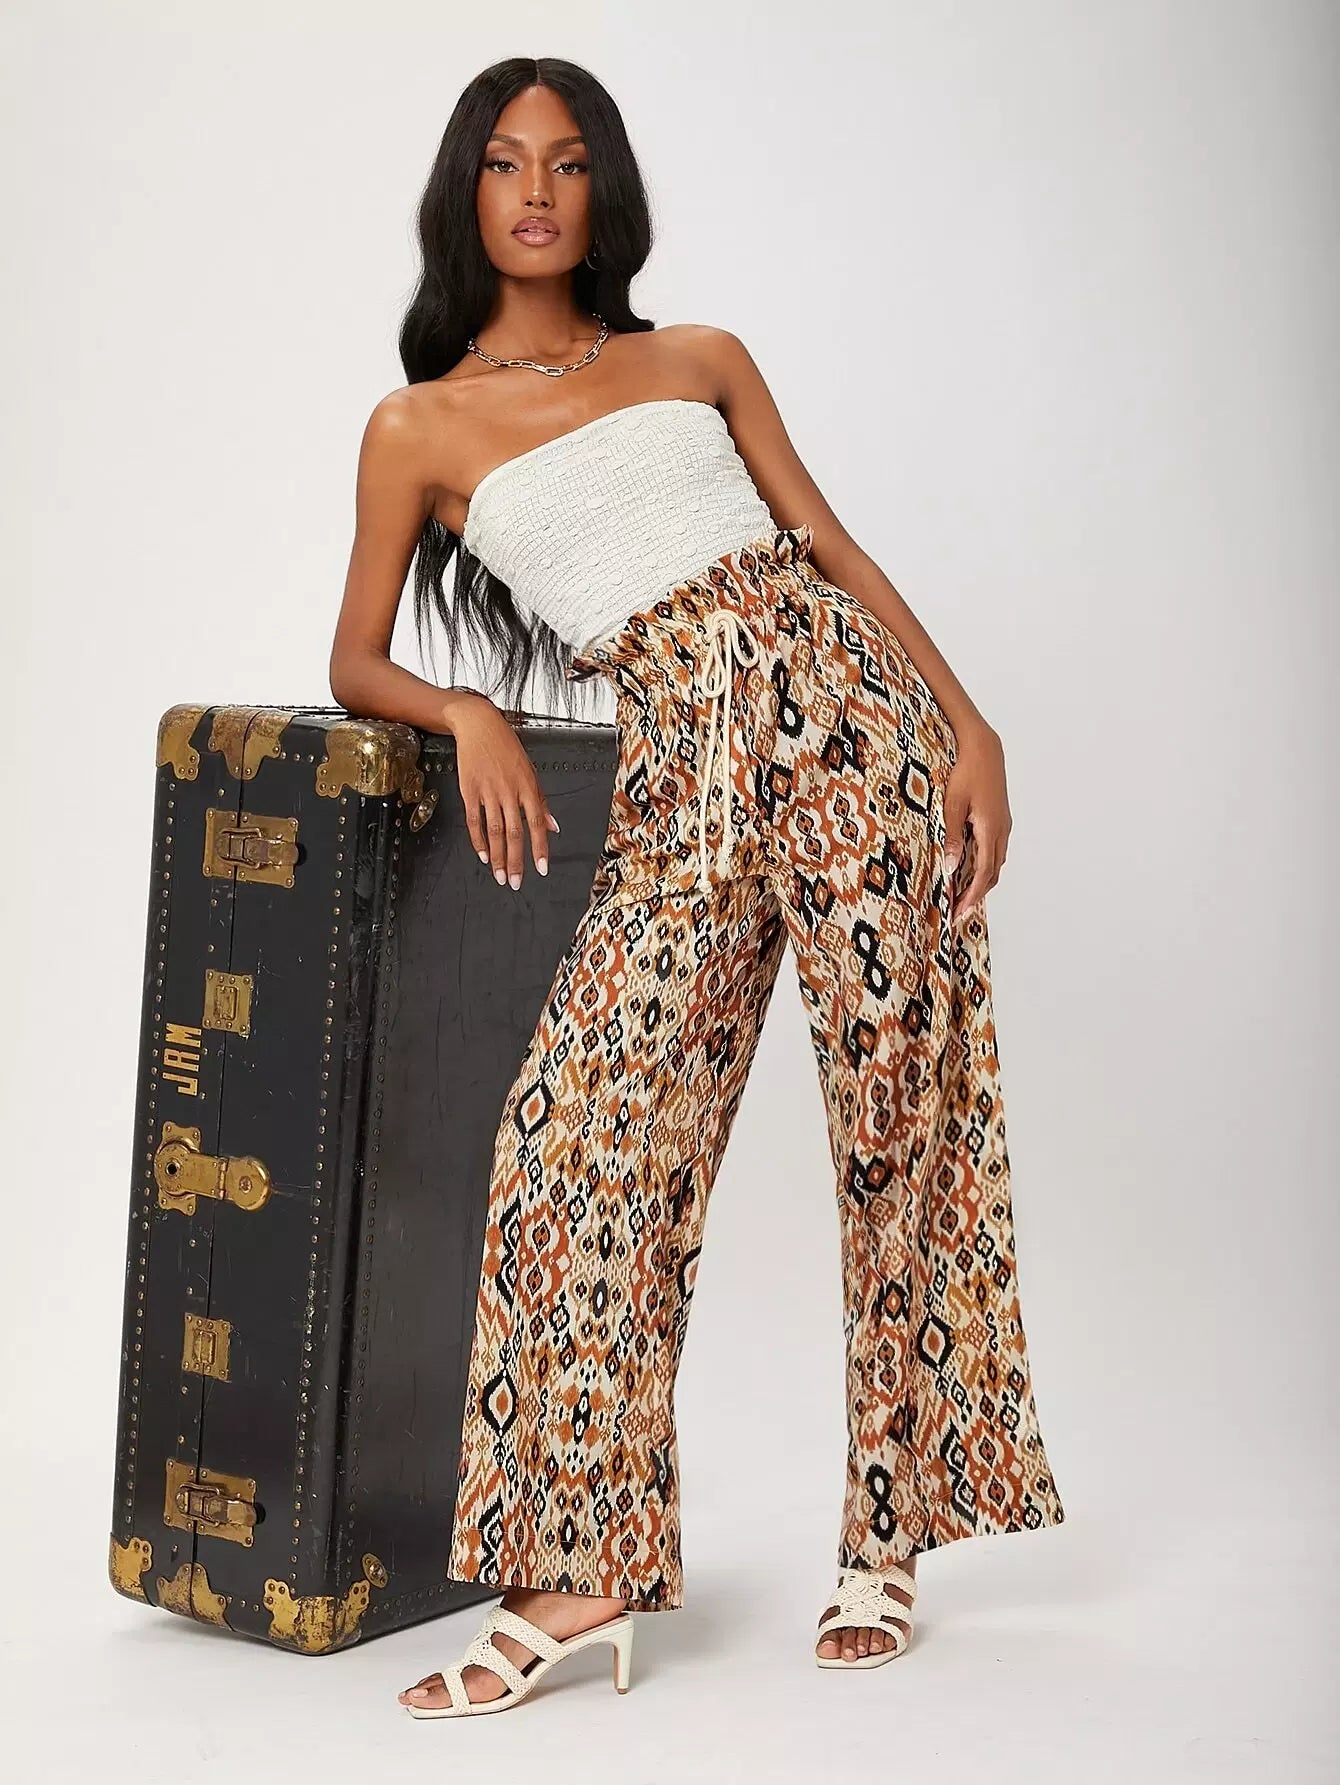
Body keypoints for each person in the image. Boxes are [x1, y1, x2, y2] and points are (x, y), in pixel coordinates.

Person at [327, 54, 1065, 1720]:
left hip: (853, 734)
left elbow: (829, 550)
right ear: (464, 193)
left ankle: (885, 1539)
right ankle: (581, 1563)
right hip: (679, 778)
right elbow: (354, 656)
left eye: (566, 160)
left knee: (897, 1124)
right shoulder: (417, 427)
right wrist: (465, 711)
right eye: (505, 162)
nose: (536, 190)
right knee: (572, 1133)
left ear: (604, 188)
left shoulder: (698, 358)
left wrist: (968, 725)